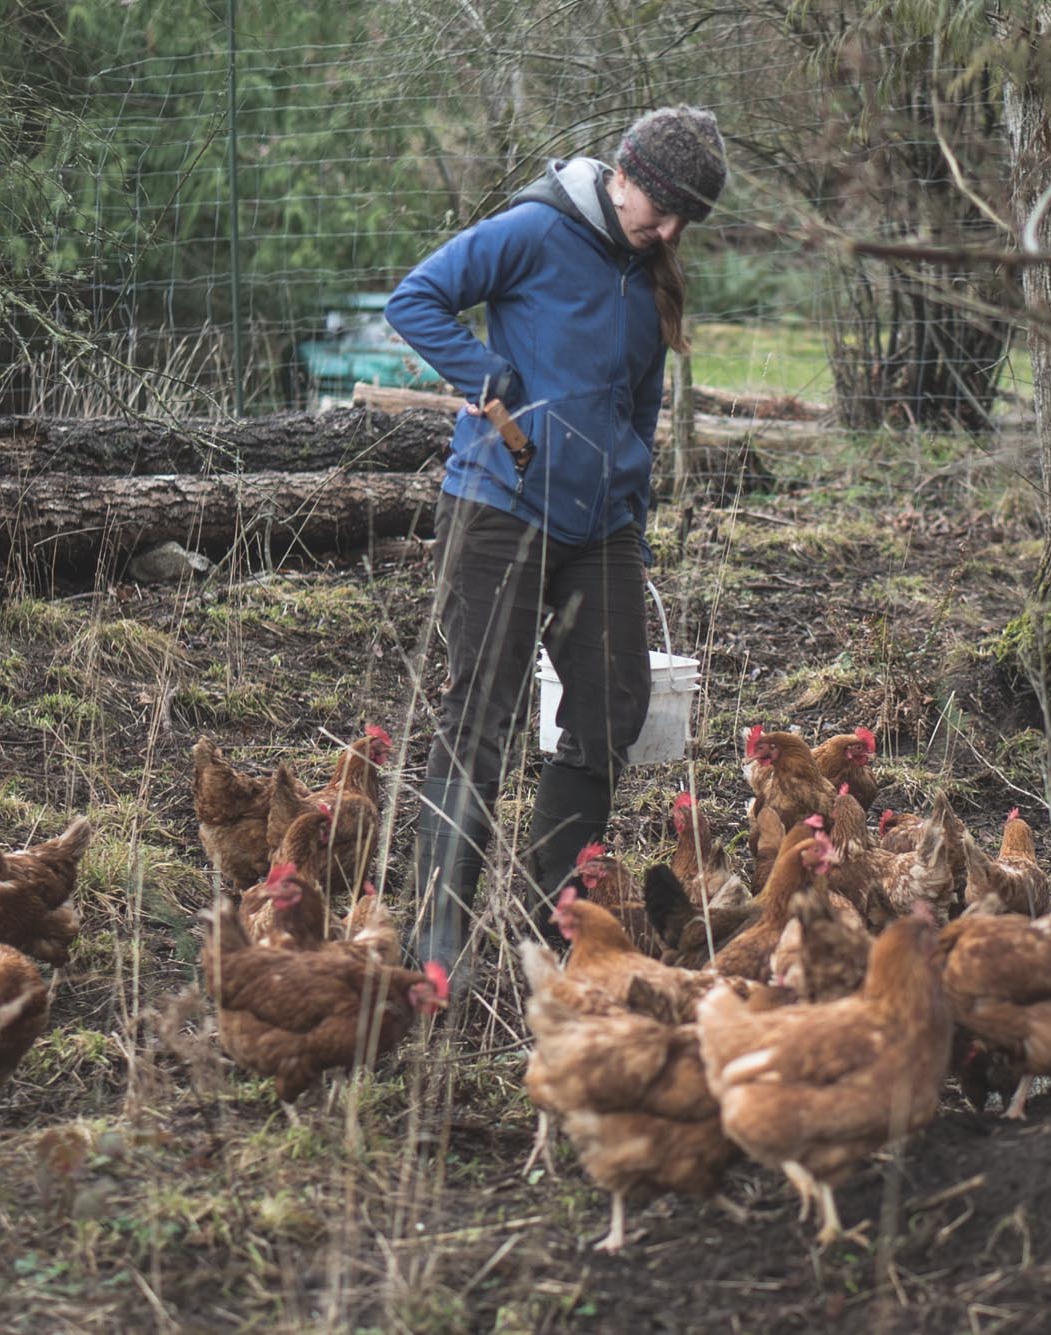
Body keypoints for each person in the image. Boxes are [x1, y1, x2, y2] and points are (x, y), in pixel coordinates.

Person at [385, 106, 727, 989]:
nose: (673, 228)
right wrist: (484, 377)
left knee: (615, 701)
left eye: (688, 216)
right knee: (480, 718)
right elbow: (415, 297)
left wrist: (633, 522)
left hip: (601, 527)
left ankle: (556, 925)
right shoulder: (535, 230)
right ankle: (439, 942)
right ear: (625, 172)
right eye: (665, 205)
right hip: (501, 506)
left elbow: (637, 418)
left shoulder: (649, 278)